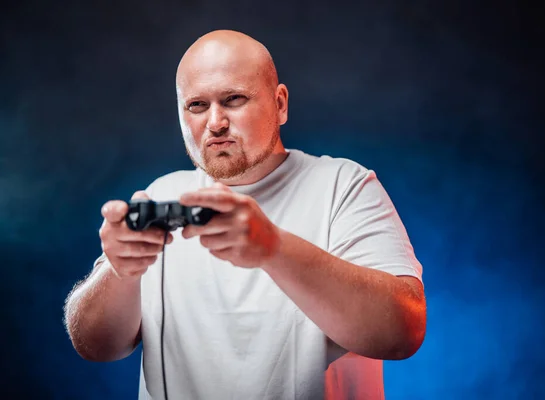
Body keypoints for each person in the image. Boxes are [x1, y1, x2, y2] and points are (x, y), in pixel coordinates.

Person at [63, 29, 427, 400]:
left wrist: (274, 248)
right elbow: (96, 346)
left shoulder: (343, 187)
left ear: (280, 103)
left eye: (233, 99)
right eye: (197, 106)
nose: (215, 122)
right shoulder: (161, 196)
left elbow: (402, 333)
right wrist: (118, 269)